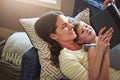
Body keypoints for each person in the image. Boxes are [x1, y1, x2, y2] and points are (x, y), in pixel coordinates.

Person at [34, 0, 119, 80]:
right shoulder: (67, 60)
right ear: (53, 36)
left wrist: (107, 10)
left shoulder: (83, 39)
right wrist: (104, 50)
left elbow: (102, 33)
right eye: (64, 26)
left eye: (68, 22)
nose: (71, 26)